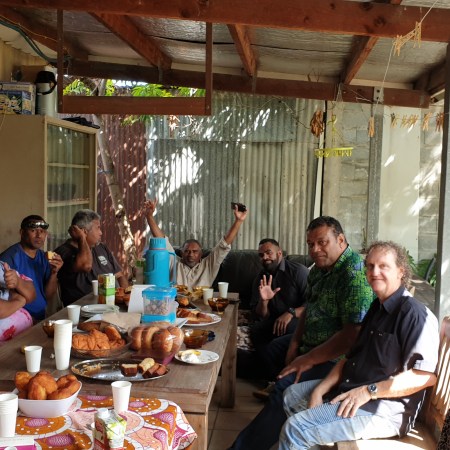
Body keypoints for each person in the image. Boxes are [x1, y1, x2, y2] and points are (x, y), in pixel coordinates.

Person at [229, 216, 375, 450]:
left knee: (285, 387)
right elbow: (308, 310)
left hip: (339, 360)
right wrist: (294, 345)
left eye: (322, 242)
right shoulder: (319, 270)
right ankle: (278, 410)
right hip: (311, 345)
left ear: (340, 240)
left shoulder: (354, 275)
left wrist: (306, 359)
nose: (314, 250)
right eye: (310, 244)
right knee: (271, 350)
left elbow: (352, 335)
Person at [279, 241, 439, 449]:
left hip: (383, 411)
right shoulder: (377, 306)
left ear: (401, 271)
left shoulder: (415, 315)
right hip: (353, 389)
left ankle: (304, 435)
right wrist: (320, 390)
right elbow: (349, 358)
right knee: (291, 395)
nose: (375, 272)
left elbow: (425, 376)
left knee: (296, 428)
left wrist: (368, 391)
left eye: (383, 266)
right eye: (370, 266)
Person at [239, 238, 308, 383]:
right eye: (261, 255)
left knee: (283, 334)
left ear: (279, 253)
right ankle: (273, 378)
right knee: (256, 330)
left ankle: (279, 378)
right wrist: (264, 301)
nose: (264, 257)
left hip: (298, 319)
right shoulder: (260, 278)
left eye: (268, 253)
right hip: (273, 320)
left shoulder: (298, 271)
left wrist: (291, 312)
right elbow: (262, 314)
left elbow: (313, 303)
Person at [143, 199, 248, 289]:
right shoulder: (174, 262)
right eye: (187, 251)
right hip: (175, 304)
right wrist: (149, 216)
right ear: (181, 253)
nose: (191, 254)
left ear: (201, 254)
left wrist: (238, 221)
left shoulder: (209, 265)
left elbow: (224, 244)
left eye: (195, 251)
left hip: (202, 305)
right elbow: (161, 240)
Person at [55, 209, 128, 306]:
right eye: (98, 228)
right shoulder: (63, 252)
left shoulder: (102, 247)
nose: (101, 233)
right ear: (83, 231)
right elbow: (86, 265)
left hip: (111, 305)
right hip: (83, 309)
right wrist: (82, 238)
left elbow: (119, 275)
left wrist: (126, 297)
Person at [0, 215, 63, 321]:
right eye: (33, 230)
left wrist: (54, 272)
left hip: (40, 317)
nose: (39, 235)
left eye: (42, 231)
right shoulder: (8, 259)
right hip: (19, 321)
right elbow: (4, 299)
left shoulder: (43, 257)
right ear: (22, 233)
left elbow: (47, 295)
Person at [0, 260, 36, 343]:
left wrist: (18, 282)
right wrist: (20, 301)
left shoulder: (2, 266)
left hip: (24, 336)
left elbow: (31, 295)